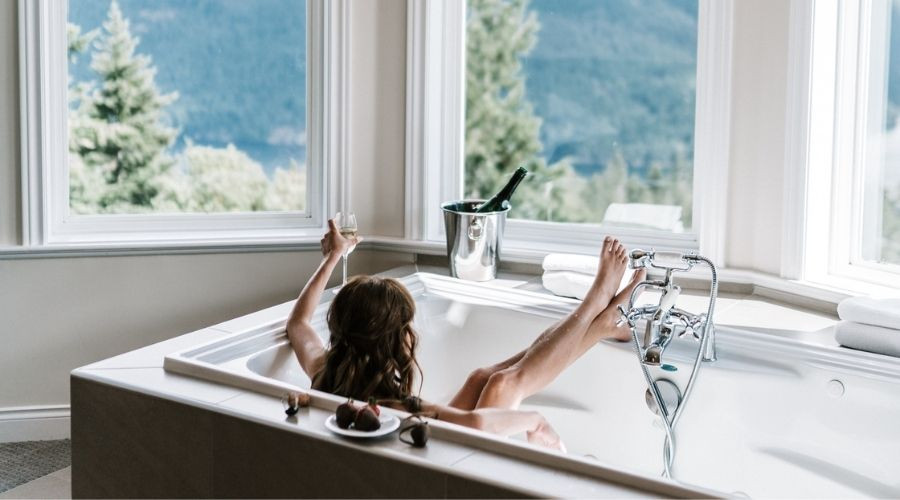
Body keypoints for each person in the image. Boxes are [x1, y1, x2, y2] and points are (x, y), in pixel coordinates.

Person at [286, 219, 645, 450]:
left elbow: (298, 324)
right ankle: (594, 309)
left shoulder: (323, 370)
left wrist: (333, 256)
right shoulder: (394, 410)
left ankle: (598, 324)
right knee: (506, 385)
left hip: (428, 457)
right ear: (397, 342)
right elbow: (475, 423)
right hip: (449, 479)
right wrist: (533, 420)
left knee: (481, 378)